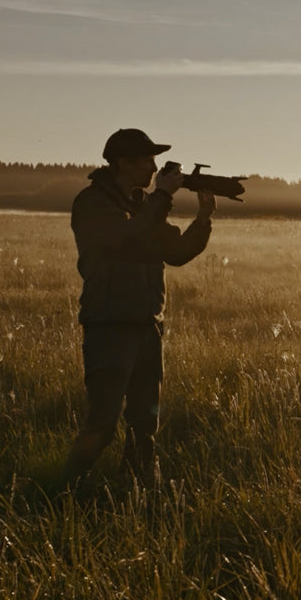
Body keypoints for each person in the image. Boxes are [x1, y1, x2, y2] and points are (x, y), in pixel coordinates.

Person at [62, 128, 216, 481]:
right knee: (102, 426)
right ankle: (60, 493)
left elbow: (175, 252)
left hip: (148, 326)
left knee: (145, 426)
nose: (154, 167)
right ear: (123, 163)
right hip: (111, 326)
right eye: (147, 160)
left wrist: (203, 218)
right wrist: (161, 196)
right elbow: (127, 239)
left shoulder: (142, 205)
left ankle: (137, 492)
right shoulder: (92, 204)